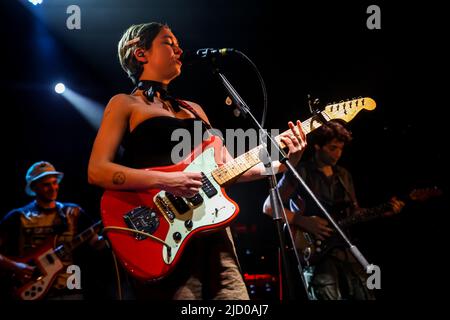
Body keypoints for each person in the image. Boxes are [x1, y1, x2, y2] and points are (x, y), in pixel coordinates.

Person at [87, 22, 307, 300]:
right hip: (159, 229)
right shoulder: (125, 104)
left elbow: (229, 168)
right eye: (168, 42)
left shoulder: (194, 109)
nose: (179, 49)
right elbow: (97, 170)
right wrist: (168, 180)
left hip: (213, 229)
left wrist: (285, 161)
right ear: (140, 53)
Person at [263, 120, 405, 300]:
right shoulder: (300, 171)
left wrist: (383, 211)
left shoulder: (343, 175)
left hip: (345, 249)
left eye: (340, 148)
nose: (337, 154)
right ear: (317, 146)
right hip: (316, 253)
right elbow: (269, 206)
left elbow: (355, 212)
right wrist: (302, 220)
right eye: (332, 148)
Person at [0, 161, 104, 300]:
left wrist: (105, 239)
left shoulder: (73, 212)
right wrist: (16, 266)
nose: (53, 188)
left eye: (55, 182)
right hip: (32, 290)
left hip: (70, 289)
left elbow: (95, 242)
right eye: (46, 184)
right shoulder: (18, 216)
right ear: (34, 187)